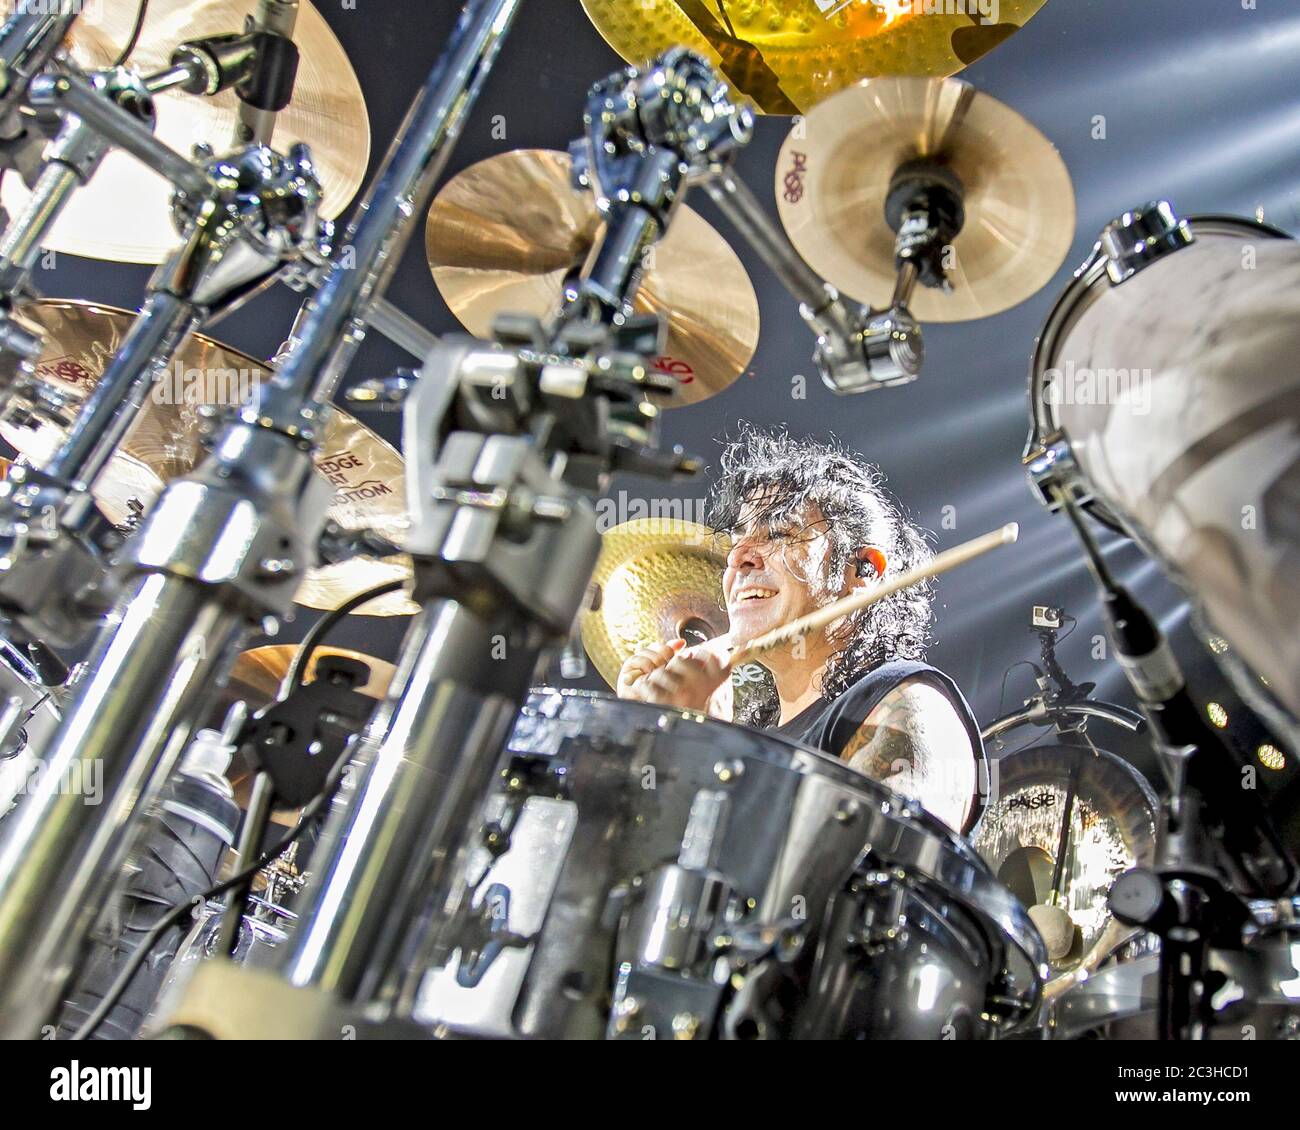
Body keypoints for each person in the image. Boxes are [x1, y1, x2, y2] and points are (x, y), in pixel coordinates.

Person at [617, 428, 984, 833]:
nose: (738, 558)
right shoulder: (756, 734)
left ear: (862, 572)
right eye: (737, 540)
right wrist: (685, 735)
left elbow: (852, 881)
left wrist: (690, 745)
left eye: (778, 535)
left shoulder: (905, 705)